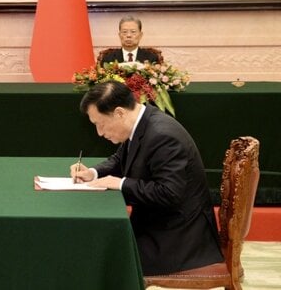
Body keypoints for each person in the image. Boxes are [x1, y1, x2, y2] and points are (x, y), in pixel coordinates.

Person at [71, 82, 223, 275]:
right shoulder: (142, 123)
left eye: (100, 124)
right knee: (96, 243)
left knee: (101, 255)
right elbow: (120, 159)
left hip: (178, 237)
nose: (99, 133)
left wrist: (121, 183)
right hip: (159, 221)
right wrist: (92, 173)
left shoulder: (163, 136)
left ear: (119, 113)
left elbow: (169, 193)